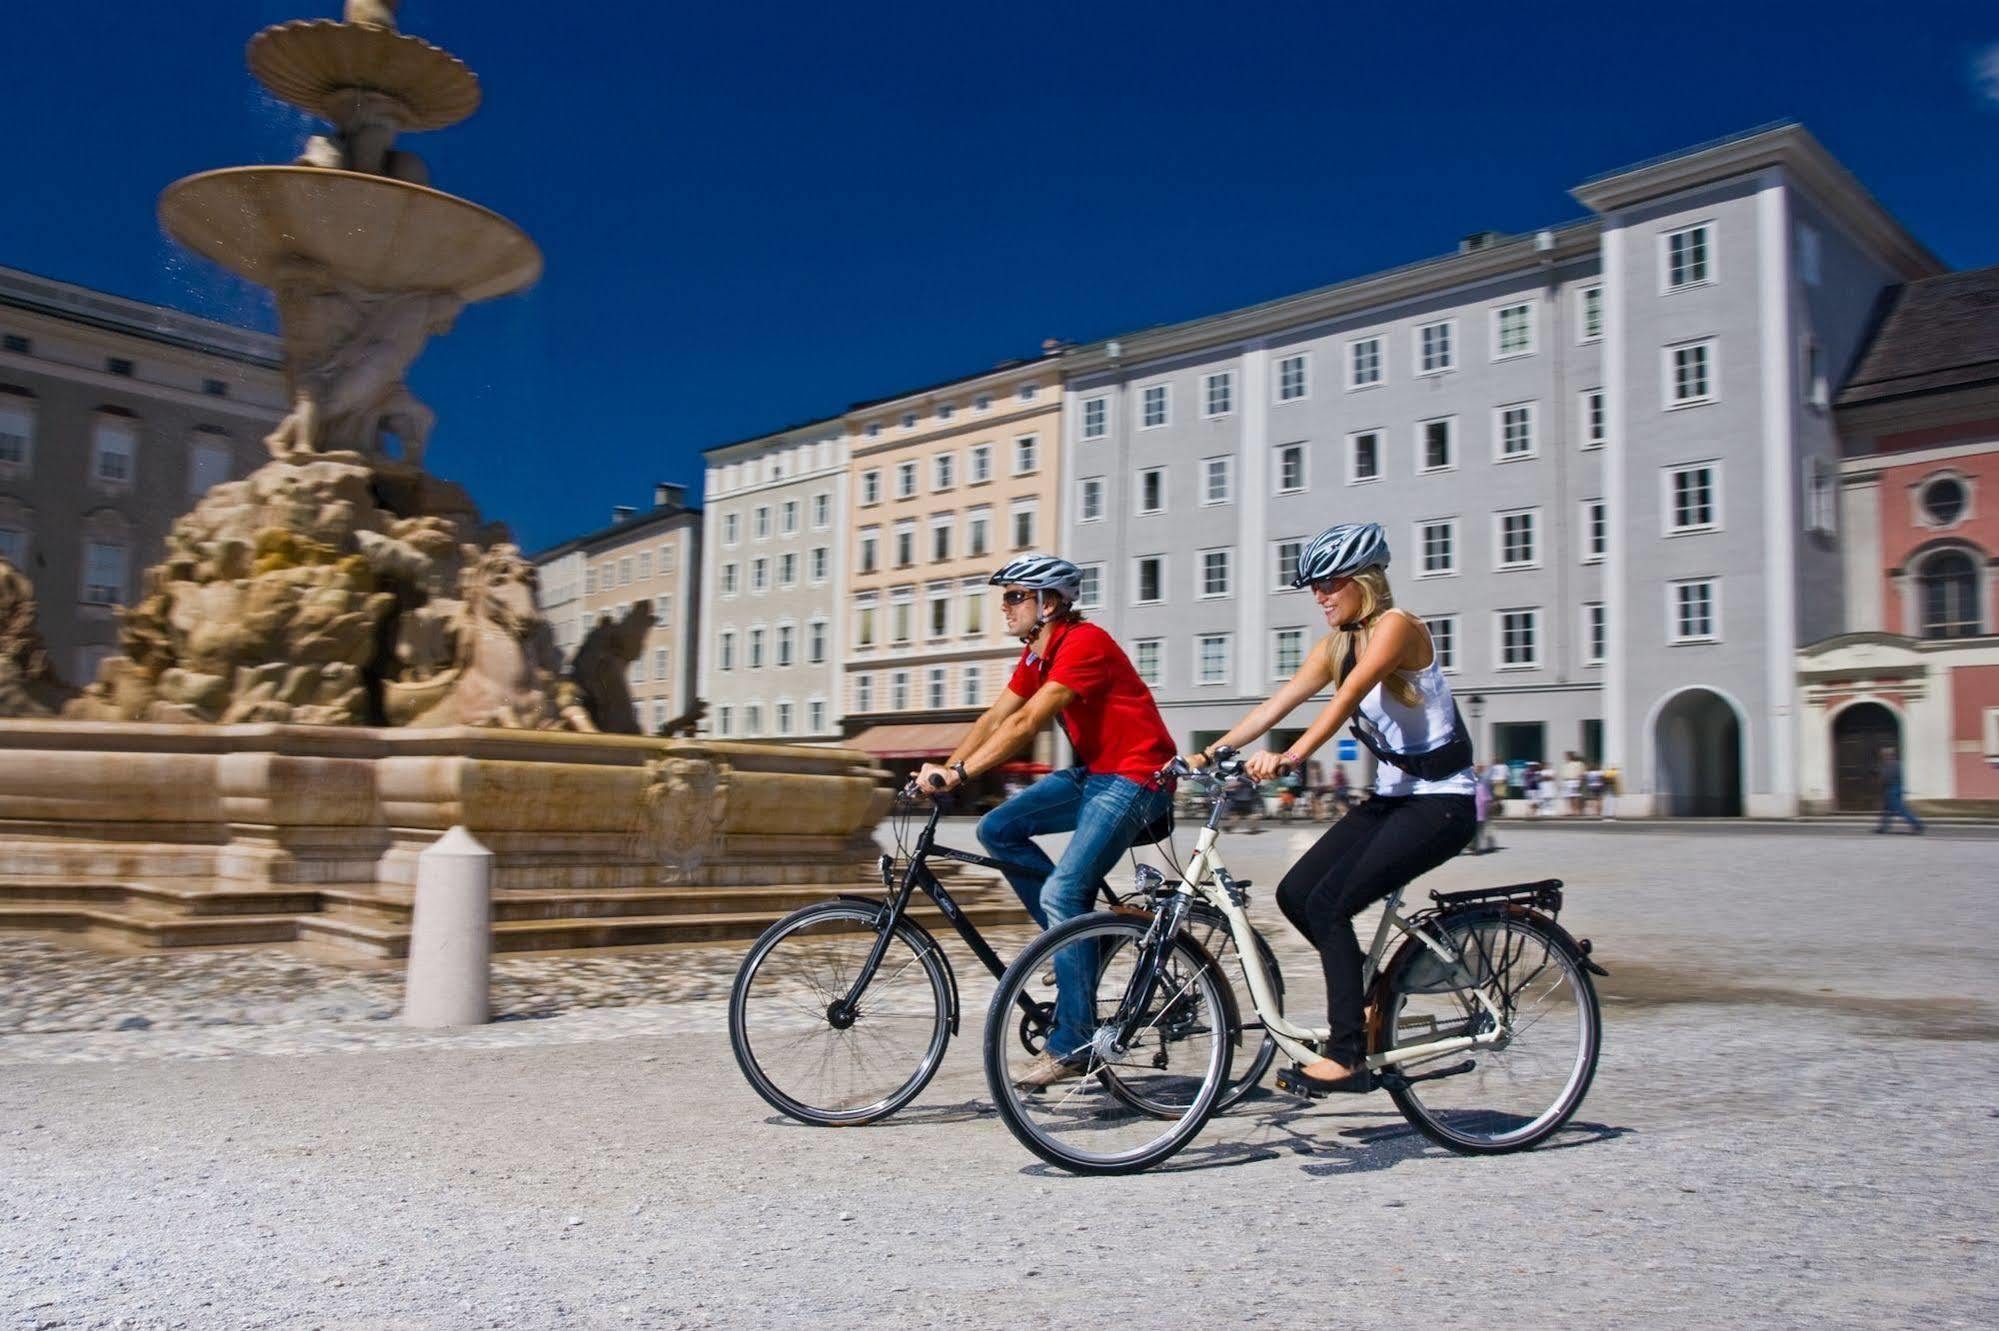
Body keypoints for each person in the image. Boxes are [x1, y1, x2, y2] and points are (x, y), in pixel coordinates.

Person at [1184, 522, 1475, 1095]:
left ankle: (1347, 1054)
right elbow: (1277, 702)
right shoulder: (1337, 643)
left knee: (1333, 905)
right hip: (1392, 799)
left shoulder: (1397, 627)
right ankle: (1363, 1005)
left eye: (1329, 583)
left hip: (1441, 803)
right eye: (1312, 586)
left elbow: (1345, 698)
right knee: (1297, 895)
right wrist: (1206, 753)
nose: (1319, 595)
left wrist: (1291, 756)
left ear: (1363, 581)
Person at [916, 554, 1177, 1088]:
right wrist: (946, 769)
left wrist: (962, 771)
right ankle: (1081, 940)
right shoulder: (1037, 655)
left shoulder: (1084, 643)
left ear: (1049, 603)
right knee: (997, 829)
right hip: (1096, 774)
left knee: (1063, 893)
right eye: (1006, 597)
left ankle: (1073, 1042)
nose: (1005, 607)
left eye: (1015, 596)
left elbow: (1031, 720)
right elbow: (997, 716)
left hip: (1137, 776)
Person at [1872, 745, 1925, 835]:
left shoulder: (1889, 764)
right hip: (1896, 788)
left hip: (1891, 789)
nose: (1883, 756)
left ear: (1889, 755)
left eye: (1884, 755)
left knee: (1901, 810)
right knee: (1887, 810)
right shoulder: (1897, 763)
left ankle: (1917, 825)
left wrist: (1879, 777)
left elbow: (1886, 778)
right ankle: (1883, 828)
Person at [1562, 751, 1587, 816]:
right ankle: (1571, 811)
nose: (1566, 757)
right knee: (1569, 797)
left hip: (1575, 781)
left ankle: (1577, 811)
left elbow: (1582, 773)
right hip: (1567, 781)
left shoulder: (1578, 763)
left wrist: (1580, 781)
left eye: (1568, 756)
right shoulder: (1566, 764)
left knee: (1576, 796)